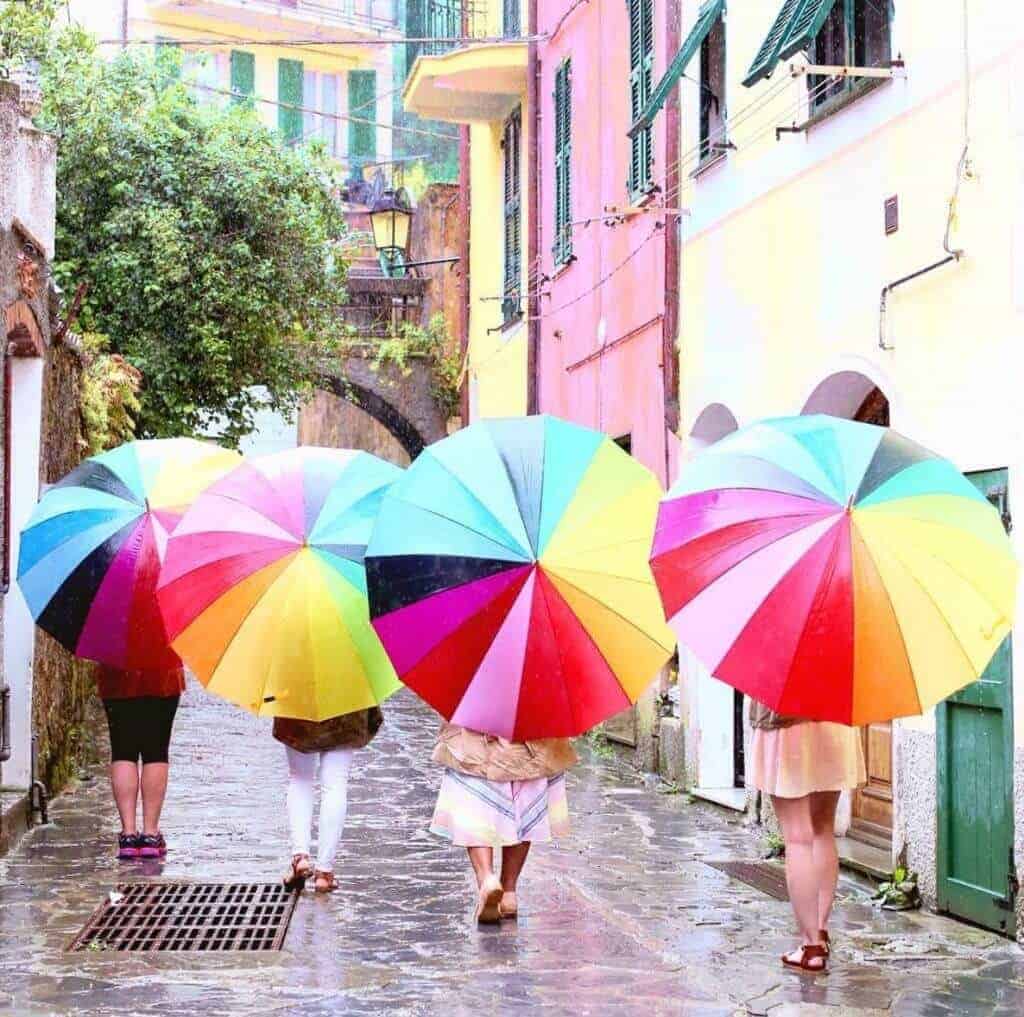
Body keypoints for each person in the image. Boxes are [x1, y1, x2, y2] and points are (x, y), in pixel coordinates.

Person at [747, 700, 866, 974]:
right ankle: (820, 933)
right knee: (823, 827)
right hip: (835, 723)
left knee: (798, 837)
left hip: (786, 724)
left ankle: (810, 945)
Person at [429, 722, 577, 923]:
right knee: (524, 812)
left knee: (475, 812)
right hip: (532, 742)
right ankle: (508, 893)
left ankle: (487, 880)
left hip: (477, 742)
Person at [275, 706, 383, 893]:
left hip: (298, 695)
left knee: (300, 779)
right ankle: (324, 873)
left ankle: (300, 858)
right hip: (345, 699)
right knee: (335, 783)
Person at [97, 663, 186, 859]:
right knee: (156, 751)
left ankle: (128, 834)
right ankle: (150, 835)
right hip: (162, 672)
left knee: (122, 750)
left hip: (117, 673)